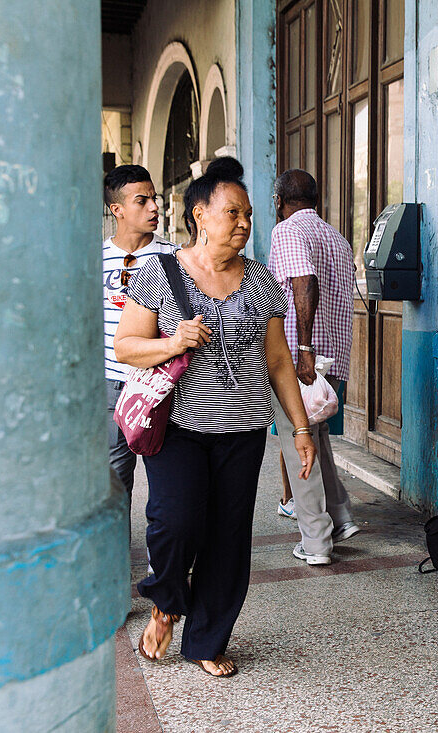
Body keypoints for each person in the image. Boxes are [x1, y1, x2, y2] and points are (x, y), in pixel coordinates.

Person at [114, 170, 316, 677]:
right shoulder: (160, 273)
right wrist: (171, 342)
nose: (244, 222)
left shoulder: (262, 279)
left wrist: (301, 427)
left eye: (249, 214)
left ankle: (206, 640)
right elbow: (126, 347)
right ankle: (166, 602)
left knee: (228, 539)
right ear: (199, 214)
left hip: (243, 431)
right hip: (179, 428)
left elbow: (277, 362)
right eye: (234, 212)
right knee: (175, 523)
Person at [267, 169, 360, 566]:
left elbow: (304, 282)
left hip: (301, 359)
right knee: (316, 439)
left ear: (279, 200)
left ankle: (317, 542)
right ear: (316, 199)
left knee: (296, 441)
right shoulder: (336, 238)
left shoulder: (287, 231)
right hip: (333, 357)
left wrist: (303, 349)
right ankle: (339, 518)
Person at [103, 165, 176, 501]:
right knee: (115, 480)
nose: (153, 207)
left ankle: (164, 554)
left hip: (160, 386)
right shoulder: (96, 259)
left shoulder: (173, 258)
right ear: (117, 209)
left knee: (168, 480)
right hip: (111, 386)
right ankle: (118, 554)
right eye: (141, 201)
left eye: (154, 198)